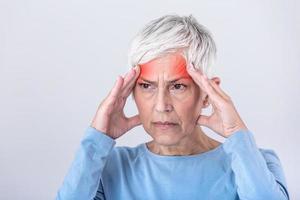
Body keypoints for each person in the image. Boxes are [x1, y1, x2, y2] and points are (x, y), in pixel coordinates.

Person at [56, 14, 289, 200]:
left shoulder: (256, 164)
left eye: (177, 86)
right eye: (147, 86)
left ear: (208, 94)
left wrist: (237, 133)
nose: (161, 106)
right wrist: (97, 139)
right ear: (130, 92)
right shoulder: (107, 168)